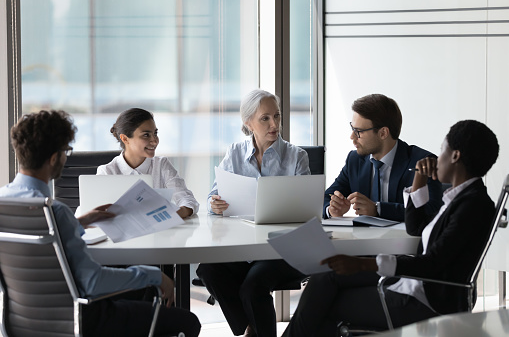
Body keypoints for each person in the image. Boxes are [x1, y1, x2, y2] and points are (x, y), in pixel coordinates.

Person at [283, 119, 499, 337]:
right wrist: (419, 181)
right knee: (326, 276)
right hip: (416, 285)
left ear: (455, 156)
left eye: (442, 150)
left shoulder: (473, 205)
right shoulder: (459, 198)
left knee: (324, 303)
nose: (437, 157)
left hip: (427, 300)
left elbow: (433, 262)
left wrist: (362, 264)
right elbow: (416, 228)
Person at [0, 110, 201, 337]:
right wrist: (154, 276)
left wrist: (80, 222)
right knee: (188, 322)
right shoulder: (55, 212)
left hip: (21, 323)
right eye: (66, 151)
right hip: (83, 320)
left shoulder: (7, 204)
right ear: (55, 158)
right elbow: (92, 281)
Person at [196, 89, 310, 337]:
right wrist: (213, 204)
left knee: (252, 287)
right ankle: (250, 329)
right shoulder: (235, 153)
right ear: (248, 123)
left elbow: (306, 210)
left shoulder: (296, 157)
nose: (274, 124)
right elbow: (211, 197)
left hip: (282, 250)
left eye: (277, 116)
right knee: (207, 270)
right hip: (245, 248)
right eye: (265, 118)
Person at [324, 94, 443, 221]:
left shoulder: (422, 161)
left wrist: (378, 209)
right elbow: (325, 198)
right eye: (352, 128)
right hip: (362, 238)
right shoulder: (355, 160)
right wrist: (331, 209)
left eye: (359, 131)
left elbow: (433, 210)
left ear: (383, 133)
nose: (352, 136)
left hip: (405, 239)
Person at [97, 108, 199, 219]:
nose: (154, 141)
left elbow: (187, 199)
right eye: (146, 135)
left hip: (159, 233)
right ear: (125, 139)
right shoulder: (107, 172)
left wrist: (173, 214)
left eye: (155, 133)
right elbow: (97, 212)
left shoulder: (161, 165)